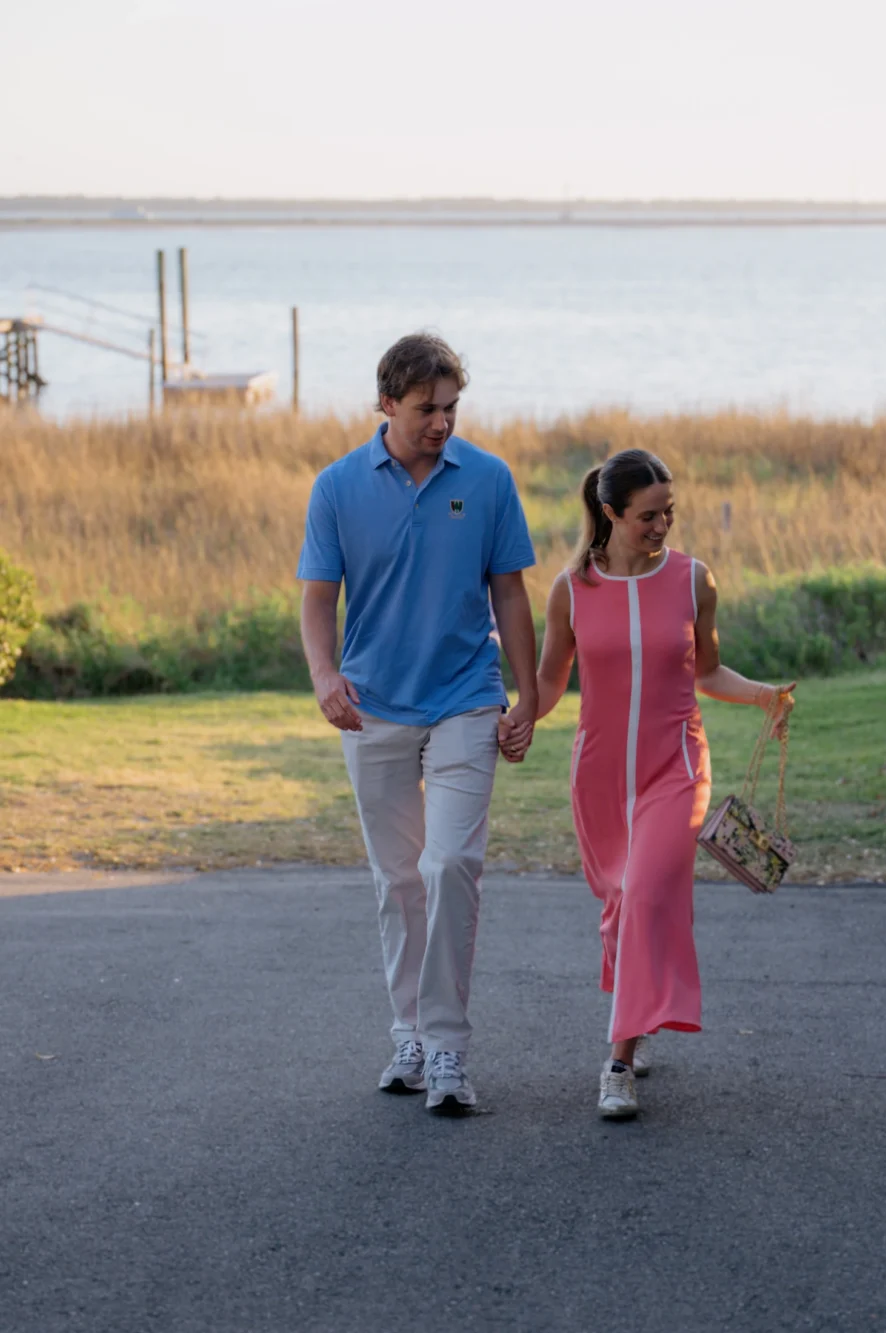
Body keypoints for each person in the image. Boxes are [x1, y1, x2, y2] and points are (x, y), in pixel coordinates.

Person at [502, 449, 793, 1120]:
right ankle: (636, 1001)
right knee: (619, 903)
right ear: (609, 514)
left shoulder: (695, 579)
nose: (662, 526)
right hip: (600, 775)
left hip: (676, 767)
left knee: (643, 891)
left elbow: (707, 670)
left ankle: (618, 1061)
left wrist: (765, 697)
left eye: (669, 513)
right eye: (646, 517)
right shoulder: (571, 590)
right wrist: (519, 717)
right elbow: (549, 681)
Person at [298, 333, 538, 1114]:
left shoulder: (490, 480)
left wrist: (527, 695)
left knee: (449, 866)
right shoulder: (336, 488)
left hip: (468, 696)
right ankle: (407, 1032)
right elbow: (316, 600)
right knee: (398, 880)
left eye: (452, 407)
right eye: (427, 408)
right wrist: (325, 675)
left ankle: (447, 1051)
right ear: (386, 404)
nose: (442, 422)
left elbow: (511, 595)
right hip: (372, 709)